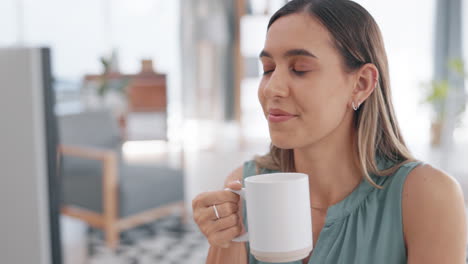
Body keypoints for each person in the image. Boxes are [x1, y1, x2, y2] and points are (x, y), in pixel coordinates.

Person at [191, 0, 467, 263]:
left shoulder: (427, 197)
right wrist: (224, 240)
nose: (272, 88)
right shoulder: (245, 186)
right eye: (268, 68)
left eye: (300, 69)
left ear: (360, 84)